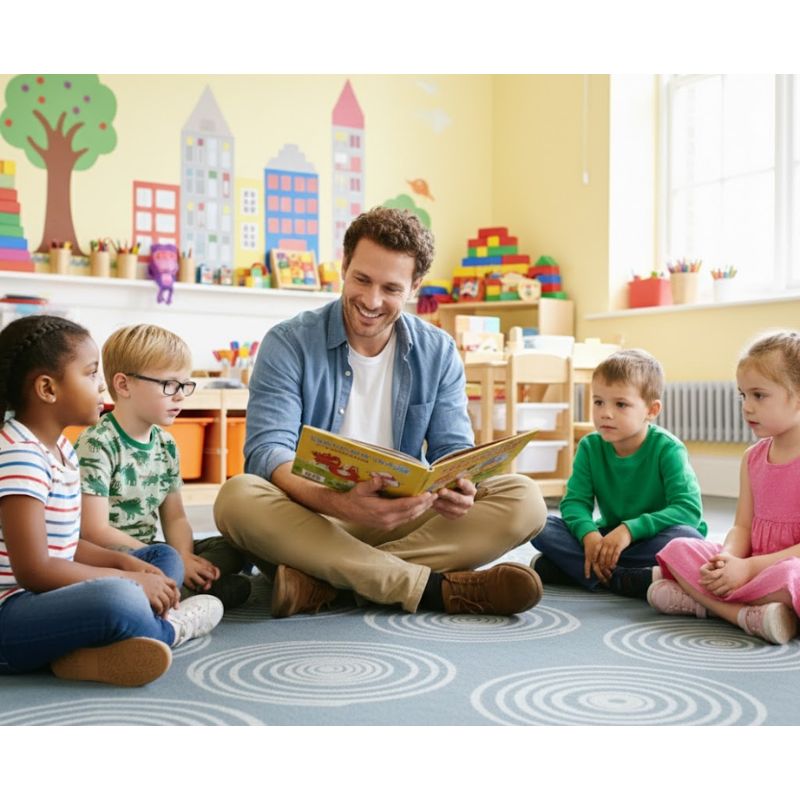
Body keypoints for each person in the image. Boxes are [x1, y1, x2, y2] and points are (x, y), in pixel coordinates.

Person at [214, 207, 547, 617]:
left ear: (414, 288)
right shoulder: (288, 342)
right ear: (344, 267)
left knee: (525, 499)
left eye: (391, 288)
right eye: (362, 280)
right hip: (310, 516)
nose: (371, 301)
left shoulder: (438, 351)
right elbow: (268, 451)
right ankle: (428, 589)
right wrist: (339, 504)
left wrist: (460, 487)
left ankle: (324, 581)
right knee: (236, 498)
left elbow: (453, 449)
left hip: (403, 515)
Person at [0, 315, 223, 686]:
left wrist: (126, 563)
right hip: (13, 610)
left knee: (162, 557)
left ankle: (88, 650)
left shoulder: (60, 450)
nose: (102, 386)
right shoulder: (20, 455)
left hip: (50, 593)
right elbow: (34, 569)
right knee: (117, 599)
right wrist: (127, 580)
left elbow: (67, 547)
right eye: (90, 374)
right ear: (47, 389)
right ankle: (168, 629)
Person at [76, 324, 251, 610]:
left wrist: (183, 553)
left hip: (153, 548)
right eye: (169, 385)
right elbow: (95, 530)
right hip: (108, 555)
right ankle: (185, 589)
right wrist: (170, 557)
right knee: (168, 559)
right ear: (123, 385)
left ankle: (181, 584)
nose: (180, 395)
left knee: (232, 547)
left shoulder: (166, 444)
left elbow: (176, 518)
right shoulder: (97, 442)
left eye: (184, 385)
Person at [651, 331, 800, 645]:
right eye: (742, 395)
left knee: (791, 578)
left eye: (759, 395)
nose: (746, 407)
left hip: (777, 569)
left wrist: (748, 569)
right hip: (748, 566)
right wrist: (727, 560)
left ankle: (702, 603)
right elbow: (742, 526)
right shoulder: (752, 459)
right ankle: (749, 614)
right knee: (679, 548)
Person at [530, 348, 706, 598]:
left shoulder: (668, 449)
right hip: (606, 539)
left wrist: (629, 530)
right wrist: (589, 535)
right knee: (539, 524)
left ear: (652, 410)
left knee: (688, 540)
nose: (605, 413)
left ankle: (581, 571)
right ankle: (629, 578)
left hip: (653, 537)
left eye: (621, 404)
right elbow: (574, 503)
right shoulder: (590, 447)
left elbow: (688, 510)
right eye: (598, 401)